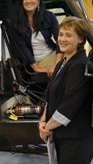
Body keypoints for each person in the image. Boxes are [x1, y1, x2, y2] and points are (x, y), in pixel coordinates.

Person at [38, 16, 93, 164]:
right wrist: (42, 122)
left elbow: (70, 104)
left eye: (69, 35)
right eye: (61, 34)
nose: (62, 39)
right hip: (60, 135)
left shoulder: (81, 65)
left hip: (76, 139)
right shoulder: (61, 64)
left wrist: (47, 127)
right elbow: (51, 98)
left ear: (81, 39)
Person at [11, 0, 63, 77]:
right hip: (35, 62)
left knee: (74, 57)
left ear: (38, 0)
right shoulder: (16, 22)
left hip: (53, 55)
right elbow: (23, 48)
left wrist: (56, 65)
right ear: (21, 2)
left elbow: (60, 40)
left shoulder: (49, 16)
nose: (29, 1)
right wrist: (37, 68)